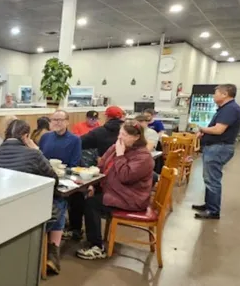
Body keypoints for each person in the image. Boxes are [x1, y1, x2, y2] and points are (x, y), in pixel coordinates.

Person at [0, 119, 63, 273]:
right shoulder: (33, 155)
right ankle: (52, 253)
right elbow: (53, 181)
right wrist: (37, 151)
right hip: (26, 214)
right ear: (26, 136)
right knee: (60, 204)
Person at [76, 120, 154, 260]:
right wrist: (92, 183)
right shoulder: (116, 147)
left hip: (131, 198)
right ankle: (75, 230)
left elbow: (125, 177)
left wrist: (120, 155)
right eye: (120, 133)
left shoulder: (143, 156)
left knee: (92, 204)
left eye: (124, 135)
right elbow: (101, 166)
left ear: (136, 137)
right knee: (79, 194)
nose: (119, 138)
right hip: (115, 191)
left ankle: (97, 247)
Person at [64, 106, 123, 241]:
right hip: (114, 182)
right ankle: (76, 230)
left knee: (82, 196)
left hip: (116, 188)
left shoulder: (100, 132)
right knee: (80, 192)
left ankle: (84, 236)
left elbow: (79, 142)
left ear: (106, 117)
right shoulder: (121, 142)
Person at [39, 110, 81, 272]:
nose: (56, 122)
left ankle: (53, 250)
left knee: (61, 202)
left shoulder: (75, 140)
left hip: (63, 179)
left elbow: (75, 163)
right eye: (53, 119)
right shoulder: (45, 137)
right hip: (45, 178)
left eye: (60, 119)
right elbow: (40, 158)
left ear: (67, 122)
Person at [192, 84, 240, 220]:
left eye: (216, 93)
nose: (214, 96)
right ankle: (209, 204)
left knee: (212, 179)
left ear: (225, 94)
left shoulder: (230, 109)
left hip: (219, 148)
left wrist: (202, 129)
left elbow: (218, 130)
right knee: (209, 178)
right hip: (215, 146)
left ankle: (213, 210)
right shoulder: (225, 108)